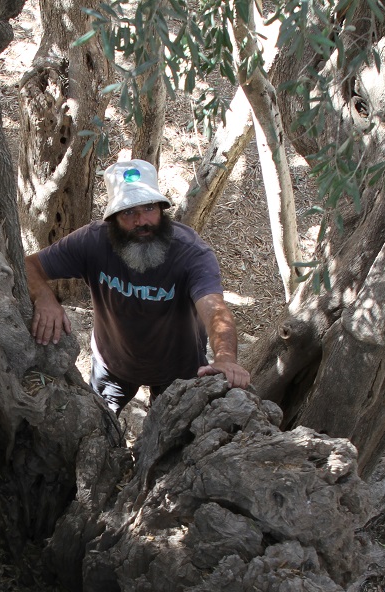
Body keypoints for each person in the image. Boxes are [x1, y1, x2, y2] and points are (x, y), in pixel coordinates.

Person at [26, 159, 251, 414]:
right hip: (112, 365)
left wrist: (225, 358)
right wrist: (44, 297)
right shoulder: (92, 242)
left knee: (173, 434)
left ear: (161, 208)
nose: (141, 220)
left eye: (148, 207)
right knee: (99, 426)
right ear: (113, 218)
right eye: (128, 212)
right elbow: (29, 265)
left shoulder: (191, 253)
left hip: (179, 368)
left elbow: (214, 308)